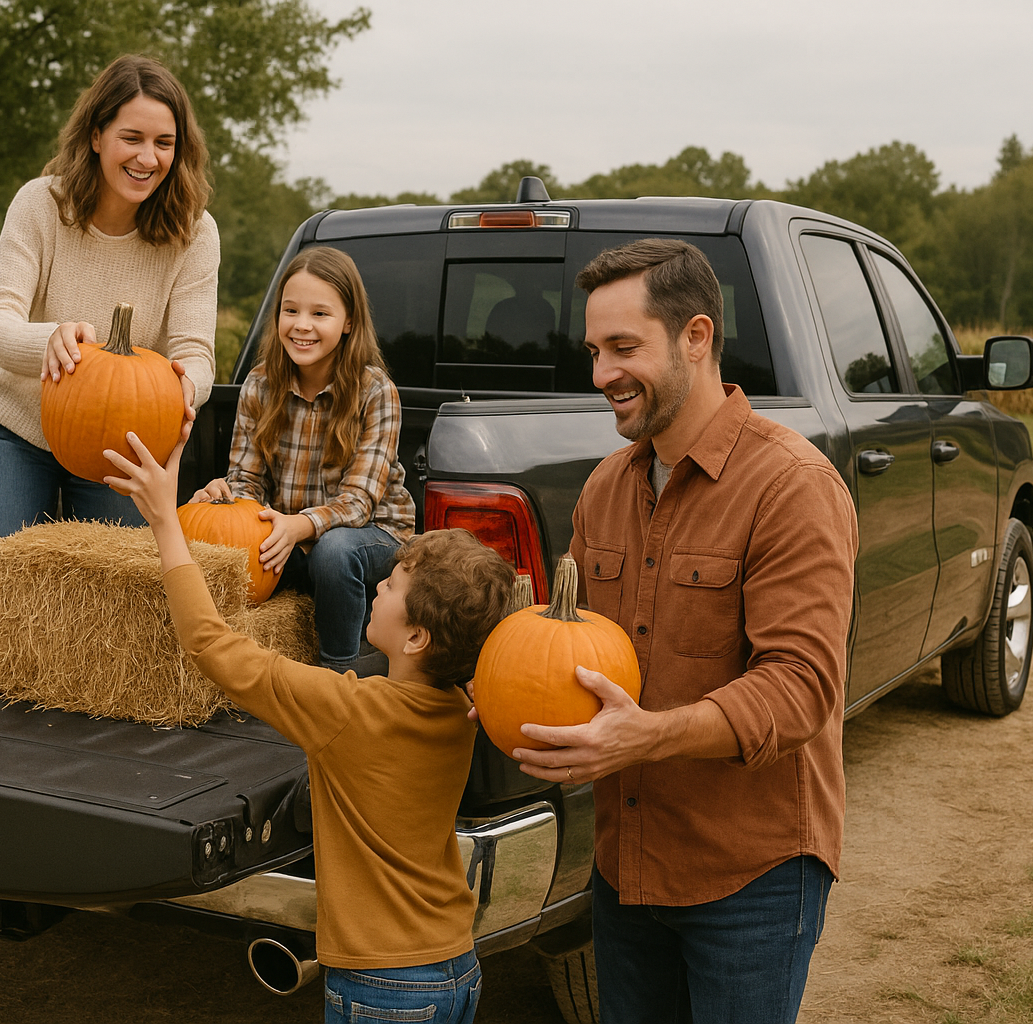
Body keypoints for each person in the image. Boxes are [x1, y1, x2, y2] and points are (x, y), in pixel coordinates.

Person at [510, 239, 858, 1024]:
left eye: (624, 348)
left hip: (751, 872)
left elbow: (800, 690)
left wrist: (648, 737)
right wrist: (502, 685)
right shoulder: (607, 486)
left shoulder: (791, 486)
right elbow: (575, 648)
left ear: (695, 338)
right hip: (626, 859)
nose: (601, 374)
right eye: (594, 351)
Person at [104, 405, 515, 1024]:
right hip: (454, 965)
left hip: (382, 985)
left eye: (393, 586)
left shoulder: (347, 711)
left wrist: (167, 521)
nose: (378, 587)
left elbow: (211, 645)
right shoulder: (462, 707)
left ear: (418, 639)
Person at [0, 53, 219, 552]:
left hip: (122, 446)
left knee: (110, 606)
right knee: (17, 591)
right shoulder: (40, 205)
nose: (148, 158)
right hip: (18, 428)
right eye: (132, 138)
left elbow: (196, 353)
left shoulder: (195, 233)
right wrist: (52, 338)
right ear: (95, 136)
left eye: (163, 143)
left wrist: (181, 393)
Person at [191, 246, 415, 674]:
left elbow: (358, 502)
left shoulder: (375, 392)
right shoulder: (259, 385)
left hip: (371, 535)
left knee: (332, 552)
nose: (302, 326)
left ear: (349, 322)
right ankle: (228, 669)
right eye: (290, 310)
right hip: (290, 528)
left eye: (320, 314)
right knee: (224, 540)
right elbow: (247, 483)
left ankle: (336, 676)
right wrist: (224, 500)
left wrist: (300, 525)